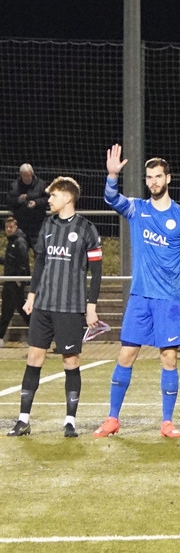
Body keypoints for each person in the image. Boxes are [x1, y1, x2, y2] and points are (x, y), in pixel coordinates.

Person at [94, 145, 180, 439]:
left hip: (168, 300)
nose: (153, 182)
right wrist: (112, 175)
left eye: (158, 176)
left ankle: (167, 422)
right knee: (126, 355)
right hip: (140, 297)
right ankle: (112, 419)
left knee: (169, 359)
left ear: (168, 178)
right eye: (149, 177)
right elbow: (111, 198)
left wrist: (175, 274)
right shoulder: (137, 209)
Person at [6, 177, 102, 437]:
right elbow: (40, 264)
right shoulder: (48, 225)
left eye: (53, 195)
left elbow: (96, 271)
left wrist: (91, 306)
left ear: (68, 198)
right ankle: (23, 420)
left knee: (70, 362)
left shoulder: (87, 229)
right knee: (33, 358)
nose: (48, 200)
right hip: (44, 306)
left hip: (70, 307)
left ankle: (70, 421)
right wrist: (31, 296)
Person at [0, 217, 31, 348]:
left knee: (9, 310)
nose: (8, 229)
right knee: (19, 308)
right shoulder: (13, 241)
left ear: (16, 227)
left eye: (11, 227)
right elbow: (11, 261)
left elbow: (23, 261)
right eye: (7, 227)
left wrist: (20, 280)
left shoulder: (19, 241)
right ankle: (38, 334)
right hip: (11, 280)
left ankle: (0, 337)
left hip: (14, 281)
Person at [7, 163, 48, 249]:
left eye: (28, 176)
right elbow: (9, 202)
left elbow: (47, 199)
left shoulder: (41, 184)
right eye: (24, 176)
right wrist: (18, 200)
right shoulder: (14, 186)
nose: (27, 178)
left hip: (37, 225)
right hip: (21, 225)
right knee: (20, 249)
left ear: (32, 174)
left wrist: (36, 203)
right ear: (20, 175)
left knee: (39, 250)